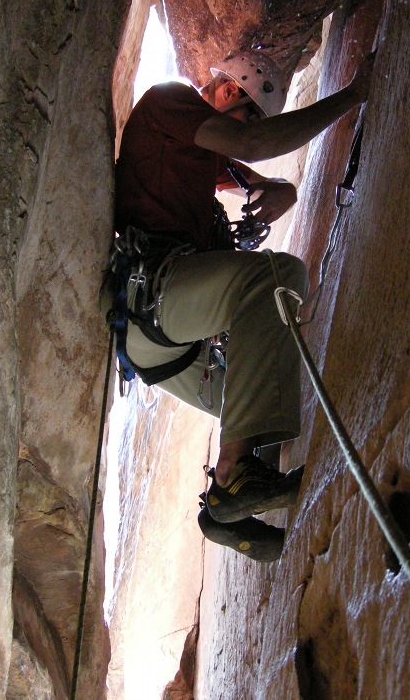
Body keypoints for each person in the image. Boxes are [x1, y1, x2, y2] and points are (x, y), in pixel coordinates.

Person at [111, 48, 375, 560]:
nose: (248, 125)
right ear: (230, 91)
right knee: (279, 276)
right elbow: (253, 145)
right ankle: (233, 477)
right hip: (158, 300)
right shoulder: (171, 102)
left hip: (162, 345)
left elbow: (249, 171)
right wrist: (352, 95)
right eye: (250, 111)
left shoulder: (199, 155)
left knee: (271, 384)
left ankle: (221, 516)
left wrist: (284, 191)